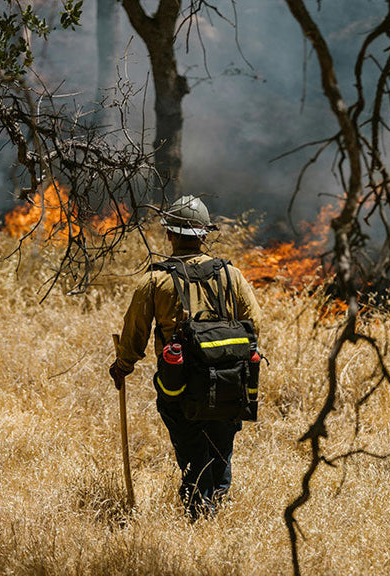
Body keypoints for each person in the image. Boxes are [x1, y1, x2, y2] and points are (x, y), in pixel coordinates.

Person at [109, 195, 263, 520]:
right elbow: (255, 323)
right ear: (205, 235)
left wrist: (123, 365)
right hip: (229, 383)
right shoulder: (231, 275)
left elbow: (134, 332)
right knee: (221, 455)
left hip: (180, 388)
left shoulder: (156, 280)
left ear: (169, 235)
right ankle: (217, 513)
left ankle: (199, 521)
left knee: (193, 456)